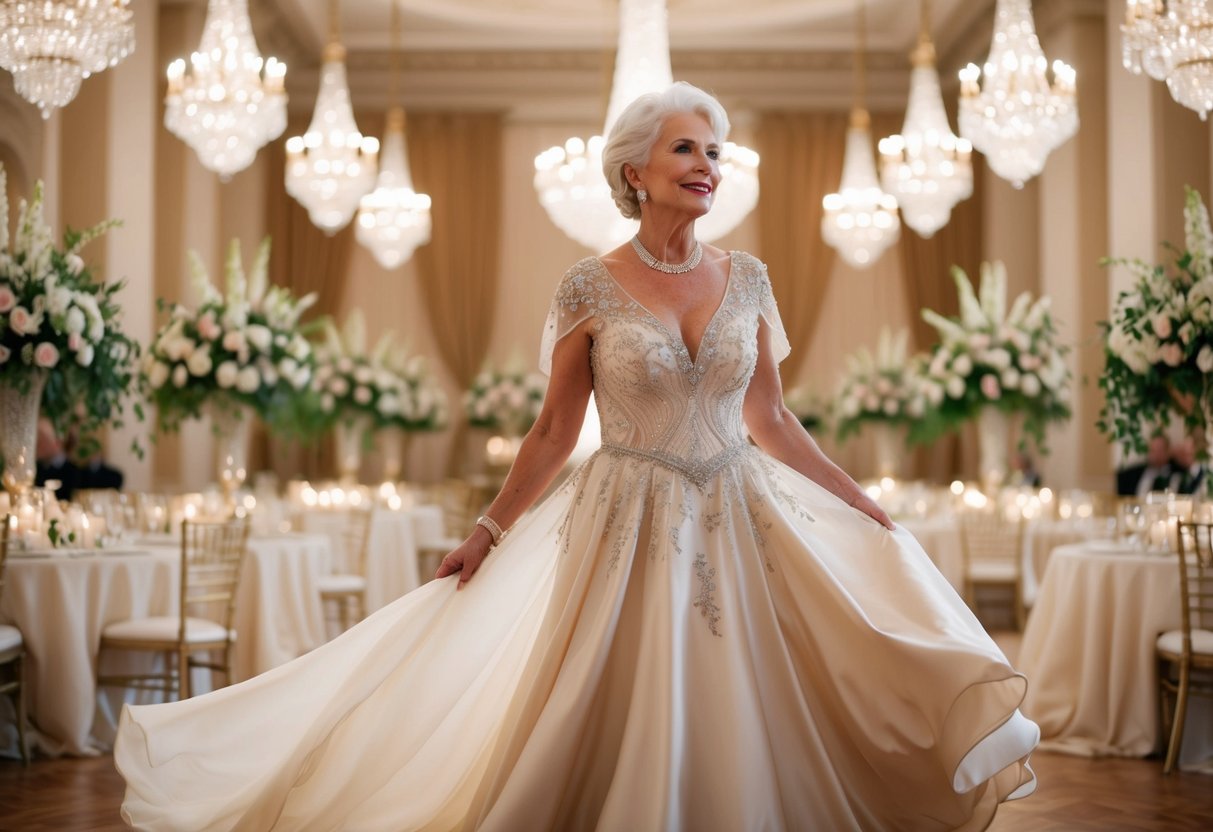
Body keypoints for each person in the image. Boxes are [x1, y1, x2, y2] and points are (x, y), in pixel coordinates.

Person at [115, 83, 1037, 830]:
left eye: (714, 151)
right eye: (685, 148)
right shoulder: (588, 283)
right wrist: (485, 532)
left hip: (736, 508)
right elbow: (556, 429)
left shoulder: (748, 276)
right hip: (621, 515)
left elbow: (772, 417)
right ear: (634, 170)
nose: (706, 166)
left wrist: (856, 498)